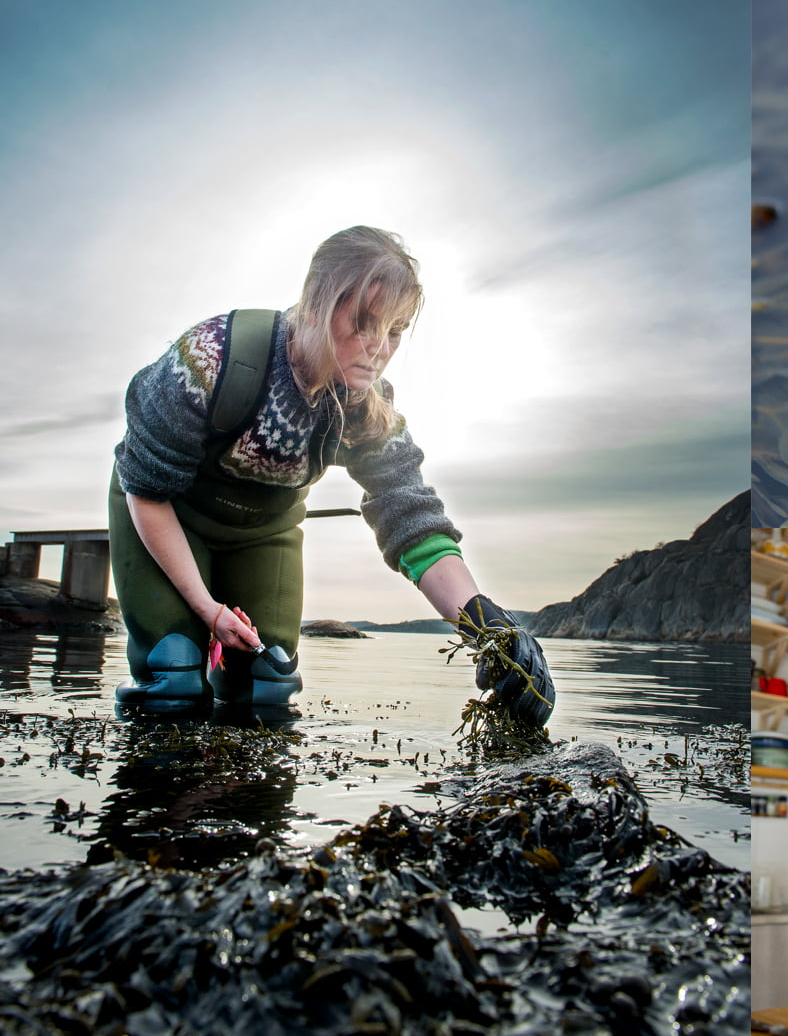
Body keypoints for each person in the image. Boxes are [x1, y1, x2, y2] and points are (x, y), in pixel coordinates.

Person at [109, 226, 554, 726]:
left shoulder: (368, 409)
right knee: (174, 678)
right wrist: (208, 610)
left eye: (396, 330)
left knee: (267, 685)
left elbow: (412, 518)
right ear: (317, 302)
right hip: (163, 512)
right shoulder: (209, 358)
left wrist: (488, 626)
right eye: (365, 322)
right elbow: (146, 491)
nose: (379, 348)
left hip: (262, 535)